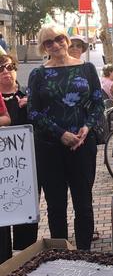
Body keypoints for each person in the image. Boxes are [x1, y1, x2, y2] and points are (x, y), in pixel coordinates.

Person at [27, 25, 104, 250]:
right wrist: (60, 134)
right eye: (49, 42)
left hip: (82, 145)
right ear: (43, 47)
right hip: (50, 147)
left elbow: (98, 103)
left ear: (67, 40)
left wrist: (87, 128)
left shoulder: (87, 69)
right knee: (56, 205)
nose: (56, 44)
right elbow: (33, 111)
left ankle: (84, 253)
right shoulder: (38, 74)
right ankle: (60, 253)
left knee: (84, 204)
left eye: (59, 38)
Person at [0, 54, 36, 262]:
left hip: (25, 170)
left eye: (10, 66)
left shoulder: (28, 97)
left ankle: (26, 261)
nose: (6, 71)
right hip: (3, 173)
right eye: (1, 68)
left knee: (26, 220)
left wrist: (32, 106)